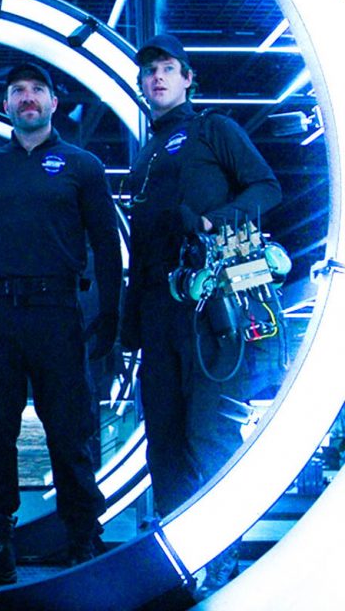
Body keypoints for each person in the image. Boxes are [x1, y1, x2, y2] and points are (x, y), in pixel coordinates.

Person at [0, 62, 122, 589]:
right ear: (7, 105)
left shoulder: (83, 166)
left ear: (53, 103)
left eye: (38, 89)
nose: (28, 97)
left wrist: (112, 312)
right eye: (18, 90)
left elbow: (107, 244)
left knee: (70, 430)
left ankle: (83, 543)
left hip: (57, 313)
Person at [119, 33, 283, 597]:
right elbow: (141, 250)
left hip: (214, 311)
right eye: (149, 71)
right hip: (157, 314)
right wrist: (129, 324)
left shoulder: (215, 130)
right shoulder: (144, 157)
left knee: (209, 436)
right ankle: (179, 565)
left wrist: (218, 221)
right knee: (164, 443)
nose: (157, 77)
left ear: (188, 79)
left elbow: (267, 186)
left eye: (168, 68)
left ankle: (222, 558)